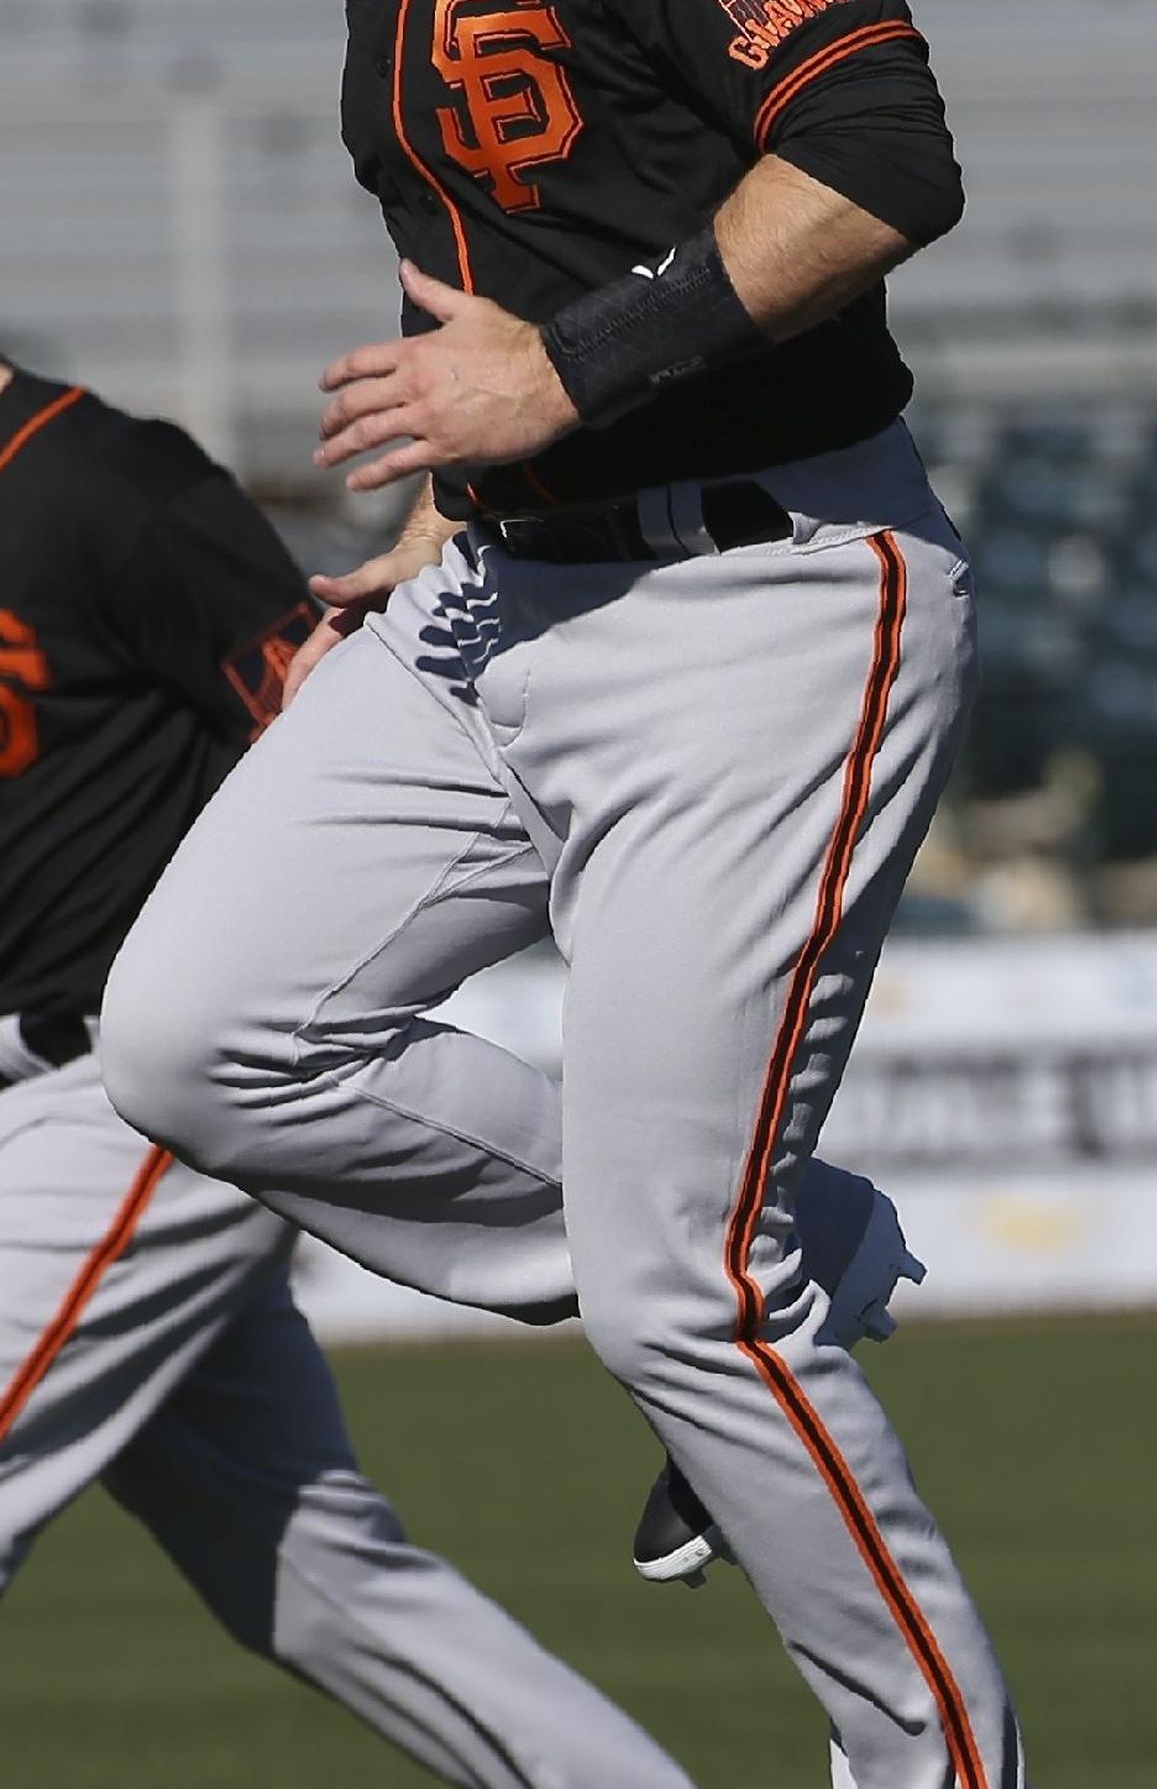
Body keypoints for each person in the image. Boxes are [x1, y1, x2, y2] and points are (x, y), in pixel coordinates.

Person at [97, 0, 1023, 1789]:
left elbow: (888, 148)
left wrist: (569, 377)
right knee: (194, 1027)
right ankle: (777, 1230)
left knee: (674, 1301)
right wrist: (436, 507)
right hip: (511, 590)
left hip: (761, 597)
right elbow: (482, 286)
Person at [0, 359, 696, 1789]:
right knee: (325, 1585)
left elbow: (320, 728)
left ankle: (755, 1234)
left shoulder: (99, 480)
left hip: (131, 1100)